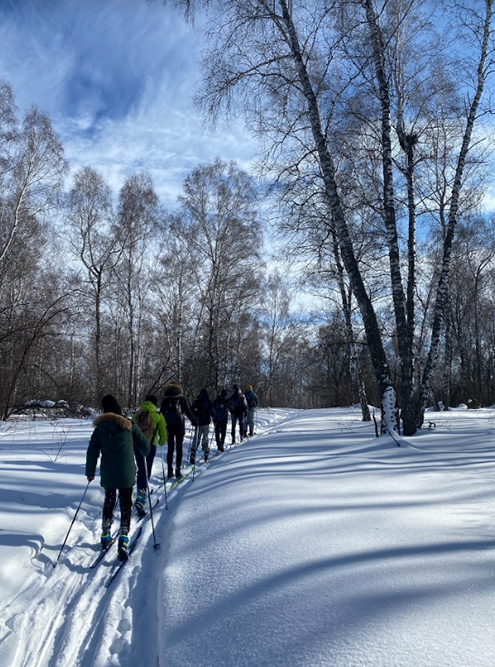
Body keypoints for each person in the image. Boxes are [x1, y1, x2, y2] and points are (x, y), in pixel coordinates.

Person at [85, 394, 149, 561]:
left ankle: (105, 535)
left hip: (108, 473)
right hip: (127, 472)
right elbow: (145, 448)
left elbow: (92, 452)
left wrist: (90, 472)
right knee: (126, 502)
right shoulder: (130, 426)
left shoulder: (100, 429)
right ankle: (124, 538)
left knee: (110, 501)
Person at [131, 395, 167, 517]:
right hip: (151, 446)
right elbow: (163, 433)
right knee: (147, 469)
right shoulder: (158, 416)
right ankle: (141, 496)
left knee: (141, 468)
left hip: (138, 446)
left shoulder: (137, 415)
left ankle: (140, 491)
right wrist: (161, 441)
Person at [160, 381, 197, 479]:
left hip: (169, 426)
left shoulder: (165, 399)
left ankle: (169, 471)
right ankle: (177, 471)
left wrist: (158, 426)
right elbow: (188, 411)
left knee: (170, 449)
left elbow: (162, 414)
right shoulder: (182, 398)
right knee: (179, 448)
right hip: (180, 426)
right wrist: (194, 421)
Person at [190, 388, 214, 463]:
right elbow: (212, 411)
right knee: (205, 437)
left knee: (196, 437)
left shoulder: (197, 402)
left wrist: (193, 419)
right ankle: (206, 452)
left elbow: (191, 411)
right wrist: (214, 417)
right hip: (206, 422)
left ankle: (193, 452)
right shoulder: (208, 402)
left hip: (198, 422)